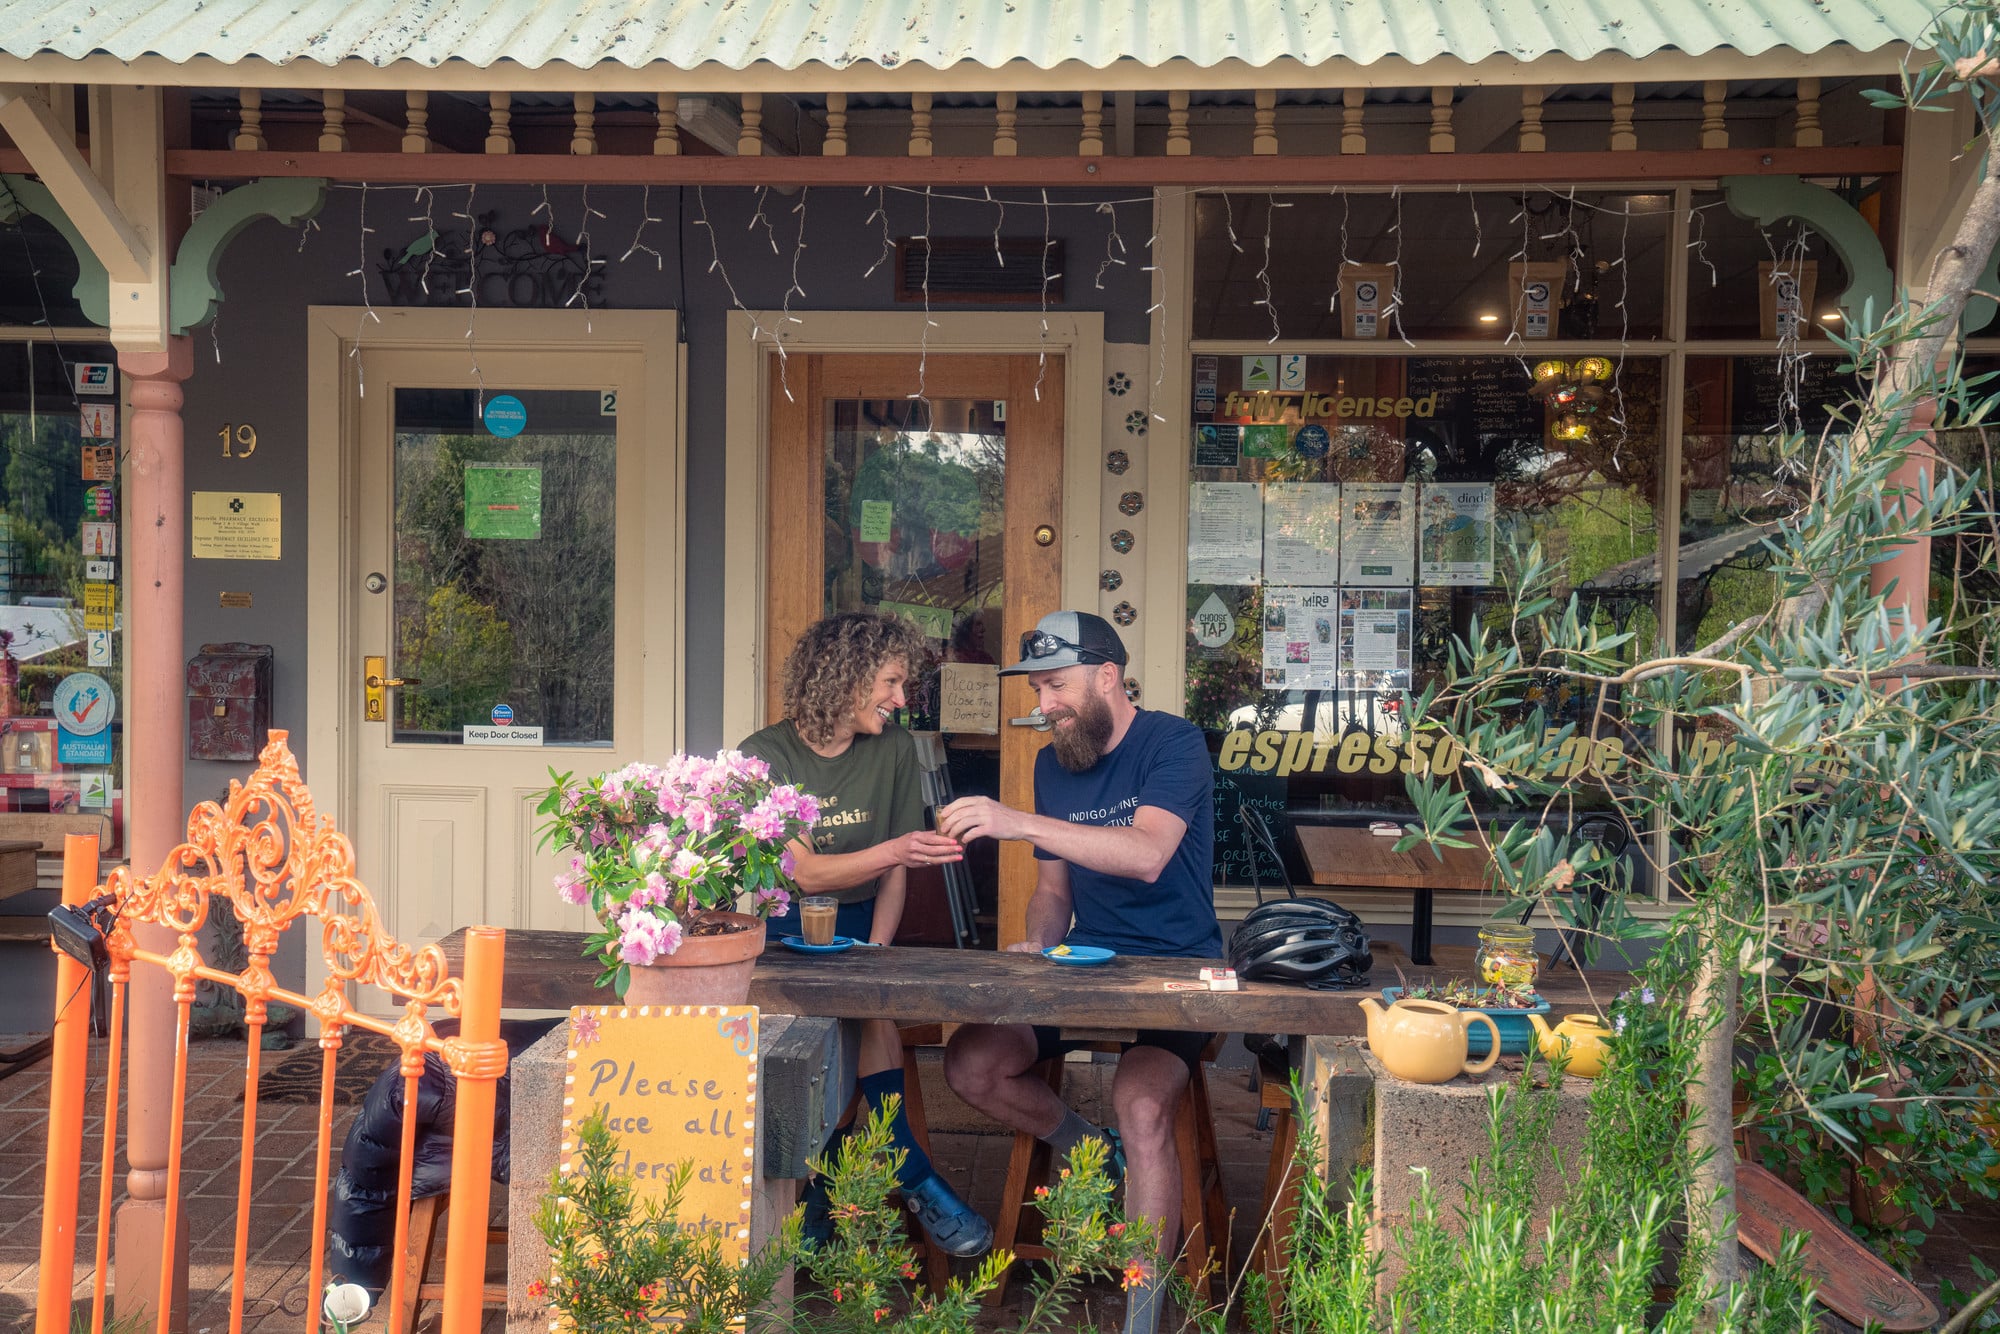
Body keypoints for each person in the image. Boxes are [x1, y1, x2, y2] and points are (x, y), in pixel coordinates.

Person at [936, 610, 1218, 1334]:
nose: (1042, 706)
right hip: (1083, 963)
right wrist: (1037, 948)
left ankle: (1142, 1315)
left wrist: (1019, 823)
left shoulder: (1174, 743)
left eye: (1055, 686)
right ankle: (1090, 1150)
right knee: (971, 1064)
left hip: (1176, 967)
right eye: (1036, 690)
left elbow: (1149, 853)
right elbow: (1055, 892)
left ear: (1107, 677)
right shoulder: (1053, 762)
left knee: (1143, 1101)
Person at [737, 611, 993, 1257]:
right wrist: (897, 850)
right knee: (835, 1031)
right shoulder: (764, 755)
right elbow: (803, 871)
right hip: (785, 926)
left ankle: (823, 1199)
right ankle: (912, 1176)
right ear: (845, 678)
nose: (902, 700)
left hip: (863, 925)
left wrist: (875, 953)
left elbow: (896, 876)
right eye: (892, 682)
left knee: (870, 1008)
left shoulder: (896, 751)